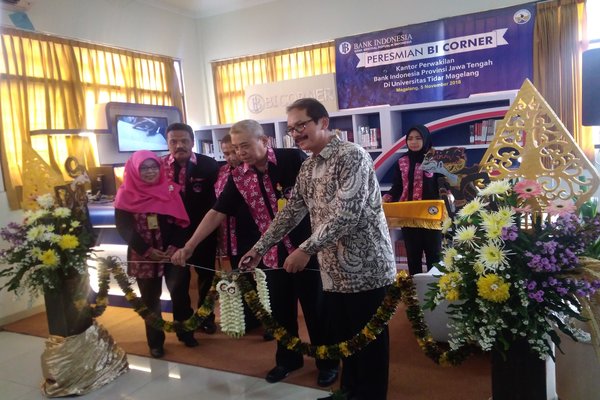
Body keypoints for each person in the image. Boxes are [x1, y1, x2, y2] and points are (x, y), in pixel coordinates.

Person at [239, 98, 397, 400]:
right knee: (346, 342)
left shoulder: (353, 156)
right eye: (292, 129)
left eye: (302, 125)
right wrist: (260, 248)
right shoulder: (309, 166)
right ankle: (349, 393)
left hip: (366, 268)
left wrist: (305, 249)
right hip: (332, 271)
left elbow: (346, 214)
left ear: (323, 123)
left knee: (370, 345)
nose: (297, 133)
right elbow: (291, 211)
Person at [171, 119, 339, 388]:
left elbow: (323, 201)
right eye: (235, 148)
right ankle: (288, 360)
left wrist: (313, 246)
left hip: (307, 252)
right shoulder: (238, 177)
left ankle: (327, 362)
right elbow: (216, 212)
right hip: (271, 256)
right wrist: (190, 245)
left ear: (264, 141)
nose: (240, 153)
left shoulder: (293, 160)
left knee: (317, 311)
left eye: (245, 146)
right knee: (280, 314)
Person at [114, 150, 194, 358]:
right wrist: (147, 251)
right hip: (144, 256)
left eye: (153, 167)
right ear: (134, 170)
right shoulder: (125, 194)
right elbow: (124, 228)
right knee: (151, 301)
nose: (150, 172)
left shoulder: (170, 190)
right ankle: (155, 342)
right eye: (144, 168)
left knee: (180, 295)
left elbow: (181, 222)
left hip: (172, 254)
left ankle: (186, 333)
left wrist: (175, 246)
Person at [163, 122, 219, 335]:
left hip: (203, 232)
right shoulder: (159, 168)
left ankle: (206, 318)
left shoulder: (209, 165)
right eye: (173, 141)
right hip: (173, 236)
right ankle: (183, 324)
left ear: (193, 142)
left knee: (206, 278)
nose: (179, 146)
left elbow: (217, 202)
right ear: (167, 144)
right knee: (178, 282)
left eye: (184, 141)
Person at [382, 125, 443, 276]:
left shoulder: (436, 159)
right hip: (408, 216)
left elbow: (444, 184)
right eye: (410, 139)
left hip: (431, 216)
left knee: (434, 256)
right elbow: (397, 187)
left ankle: (435, 294)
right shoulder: (402, 162)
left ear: (425, 139)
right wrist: (384, 199)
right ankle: (414, 293)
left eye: (418, 138)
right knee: (413, 256)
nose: (413, 142)